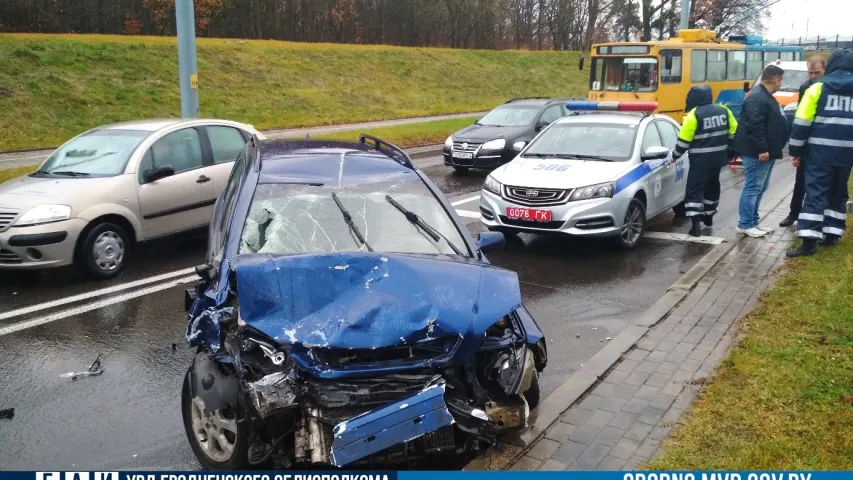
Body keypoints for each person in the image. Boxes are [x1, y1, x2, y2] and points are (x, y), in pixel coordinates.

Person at [786, 49, 853, 257]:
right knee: (838, 192)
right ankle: (832, 234)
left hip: (819, 153)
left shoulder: (817, 89)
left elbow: (801, 123)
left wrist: (796, 150)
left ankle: (809, 241)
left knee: (815, 193)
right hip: (847, 155)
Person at [671, 84, 738, 237]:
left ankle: (695, 224)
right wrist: (730, 150)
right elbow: (734, 130)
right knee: (713, 186)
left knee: (694, 190)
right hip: (719, 159)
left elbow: (684, 140)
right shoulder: (724, 110)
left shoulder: (693, 115)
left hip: (700, 161)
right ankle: (708, 216)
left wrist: (675, 156)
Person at [733, 64, 790, 237]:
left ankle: (753, 221)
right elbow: (755, 125)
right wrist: (763, 149)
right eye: (781, 81)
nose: (781, 84)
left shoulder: (765, 96)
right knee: (753, 187)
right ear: (777, 79)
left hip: (767, 150)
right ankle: (745, 223)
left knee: (760, 187)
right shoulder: (757, 98)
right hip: (757, 151)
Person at [779, 55, 827, 227]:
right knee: (800, 181)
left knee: (822, 184)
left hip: (823, 142)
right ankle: (794, 214)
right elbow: (800, 117)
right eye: (810, 72)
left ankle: (819, 218)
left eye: (817, 72)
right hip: (807, 142)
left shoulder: (829, 87)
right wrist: (796, 148)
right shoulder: (805, 87)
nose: (813, 76)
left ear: (825, 70)